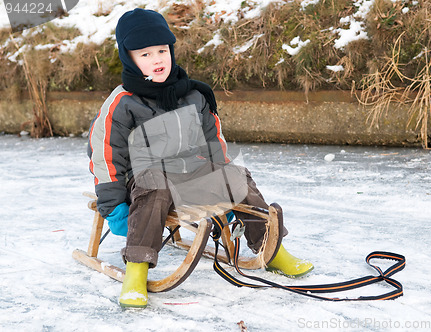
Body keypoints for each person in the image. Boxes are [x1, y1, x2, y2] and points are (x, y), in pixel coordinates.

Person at [87, 8, 313, 309]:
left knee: (237, 176)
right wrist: (114, 206)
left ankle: (272, 250)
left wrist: (226, 192)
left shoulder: (194, 95)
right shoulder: (122, 103)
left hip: (191, 176)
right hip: (146, 185)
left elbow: (214, 147)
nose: (157, 59)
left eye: (162, 50)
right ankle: (137, 270)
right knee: (156, 182)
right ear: (129, 58)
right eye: (145, 54)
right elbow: (106, 156)